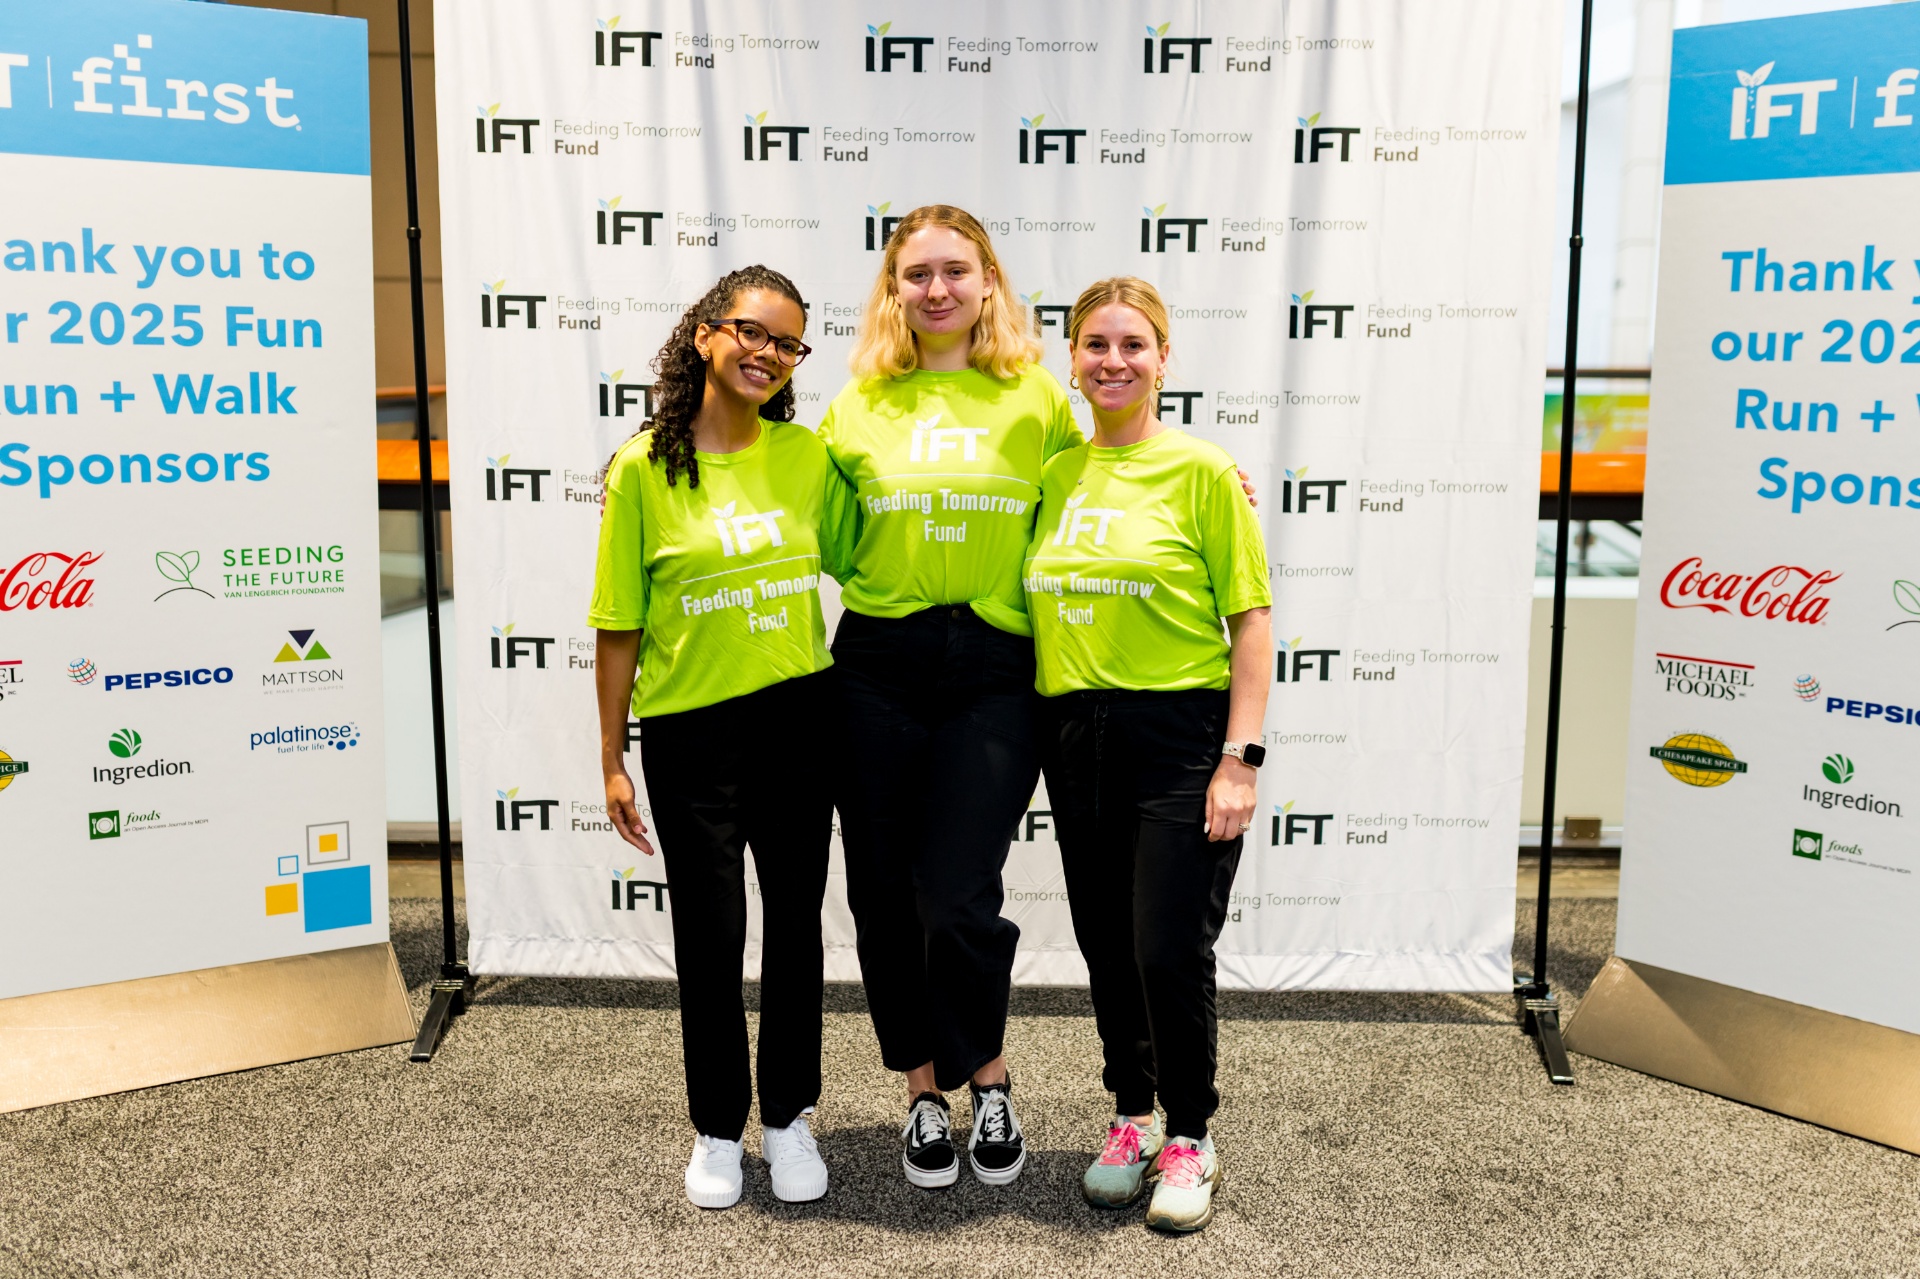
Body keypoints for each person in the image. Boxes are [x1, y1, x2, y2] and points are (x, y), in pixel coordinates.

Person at [816, 205, 1079, 1189]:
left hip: (996, 666)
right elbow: (807, 518)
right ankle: (923, 1089)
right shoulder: (857, 405)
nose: (937, 289)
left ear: (988, 281)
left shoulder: (1035, 398)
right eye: (917, 273)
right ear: (893, 288)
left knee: (959, 893)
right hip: (877, 660)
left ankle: (990, 1075)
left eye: (955, 271)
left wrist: (1202, 480)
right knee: (884, 893)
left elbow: (1099, 485)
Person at [590, 265, 854, 1210]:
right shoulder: (642, 468)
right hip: (691, 733)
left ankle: (786, 1117)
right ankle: (716, 1126)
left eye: (787, 343)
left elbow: (881, 549)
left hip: (798, 716)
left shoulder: (807, 457)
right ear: (704, 333)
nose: (767, 353)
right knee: (709, 934)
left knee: (795, 927)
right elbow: (617, 622)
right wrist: (611, 756)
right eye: (752, 331)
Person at [1025, 278, 1272, 1234]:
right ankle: (1131, 1114)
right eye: (1096, 344)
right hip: (1072, 736)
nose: (1114, 361)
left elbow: (1250, 621)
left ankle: (1191, 1133)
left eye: (1134, 344)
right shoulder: (1053, 474)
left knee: (1168, 947)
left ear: (1165, 359)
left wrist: (1239, 758)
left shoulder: (1203, 472)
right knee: (1106, 942)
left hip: (1180, 736)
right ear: (1073, 360)